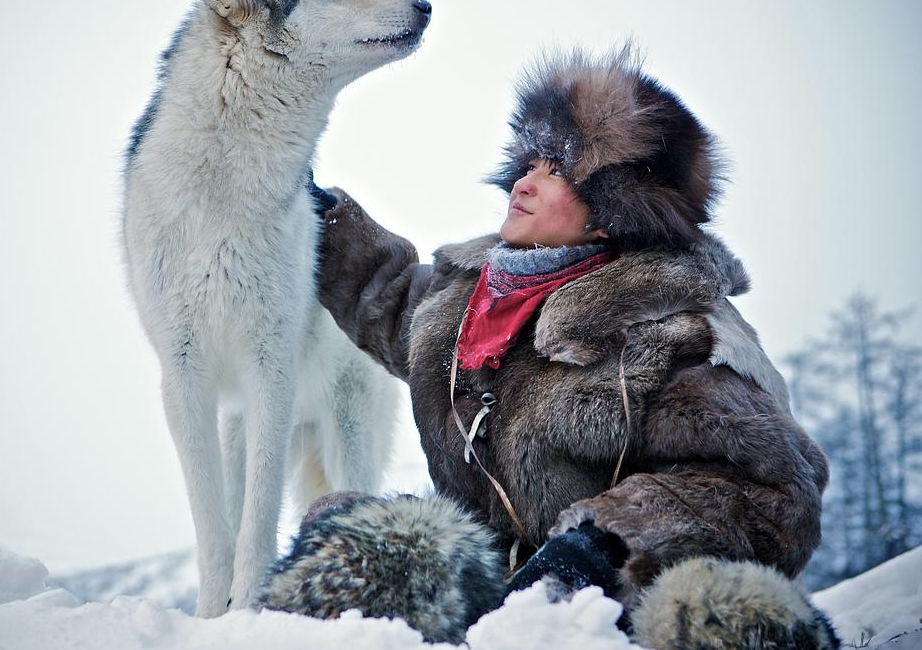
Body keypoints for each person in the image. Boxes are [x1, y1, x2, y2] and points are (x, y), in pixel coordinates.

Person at [259, 48, 835, 648]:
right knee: (352, 531)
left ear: (612, 212)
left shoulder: (673, 331)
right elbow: (389, 296)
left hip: (611, 607)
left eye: (556, 170)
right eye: (528, 161)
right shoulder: (471, 298)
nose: (524, 183)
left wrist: (601, 542)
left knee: (716, 614)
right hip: (496, 596)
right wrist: (319, 216)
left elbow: (775, 489)